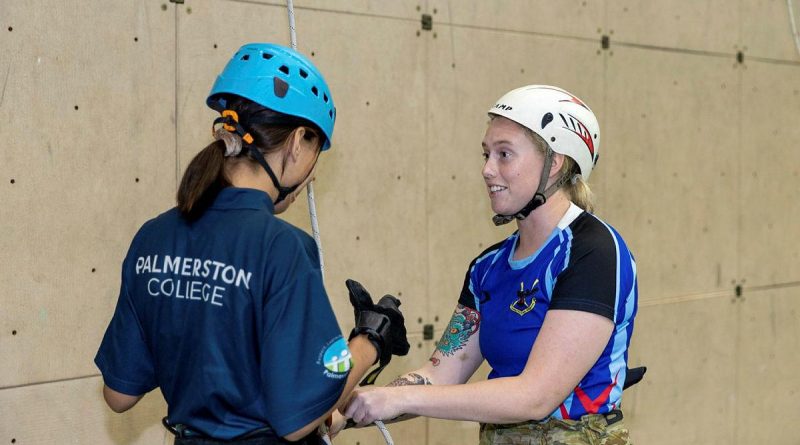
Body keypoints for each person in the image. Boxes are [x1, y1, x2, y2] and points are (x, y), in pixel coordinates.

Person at [94, 42, 409, 445]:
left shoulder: (153, 237)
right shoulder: (283, 247)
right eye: (315, 150)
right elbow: (296, 420)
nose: (311, 174)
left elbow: (119, 394)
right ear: (297, 143)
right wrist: (370, 342)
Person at [335, 85, 639, 444]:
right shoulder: (488, 266)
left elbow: (535, 396)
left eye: (504, 154)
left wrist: (396, 397)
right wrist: (347, 410)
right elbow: (439, 376)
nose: (487, 169)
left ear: (554, 162)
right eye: (486, 154)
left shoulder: (593, 252)